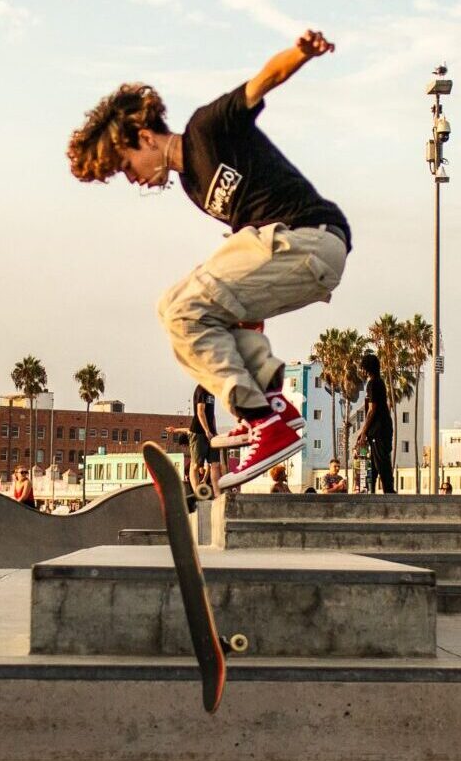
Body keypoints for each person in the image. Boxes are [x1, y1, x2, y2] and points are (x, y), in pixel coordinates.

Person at [67, 29, 350, 490]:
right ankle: (274, 404)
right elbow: (243, 290)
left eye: (126, 166)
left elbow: (265, 80)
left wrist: (302, 52)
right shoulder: (194, 188)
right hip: (288, 253)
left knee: (182, 308)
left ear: (145, 137)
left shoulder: (207, 130)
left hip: (310, 237)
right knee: (193, 308)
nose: (132, 180)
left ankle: (261, 419)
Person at [353, 351, 395, 494]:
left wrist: (364, 431)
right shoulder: (380, 382)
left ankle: (389, 491)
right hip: (383, 427)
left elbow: (372, 409)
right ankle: (371, 491)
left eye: (363, 368)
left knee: (381, 462)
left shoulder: (373, 383)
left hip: (378, 429)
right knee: (375, 463)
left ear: (367, 368)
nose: (362, 371)